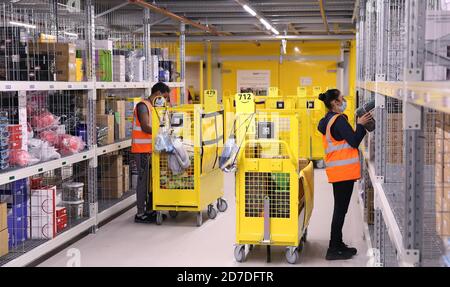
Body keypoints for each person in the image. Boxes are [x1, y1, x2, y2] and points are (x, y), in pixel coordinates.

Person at [317, 89, 373, 260]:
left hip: (338, 172)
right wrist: (361, 124)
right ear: (334, 102)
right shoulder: (339, 120)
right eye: (341, 99)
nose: (344, 101)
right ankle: (333, 249)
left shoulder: (326, 120)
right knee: (340, 210)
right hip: (343, 173)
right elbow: (354, 141)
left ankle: (338, 243)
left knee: (340, 209)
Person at [131, 82, 170, 223]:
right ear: (158, 93)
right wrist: (162, 132)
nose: (165, 100)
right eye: (164, 97)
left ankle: (151, 210)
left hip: (152, 150)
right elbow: (146, 126)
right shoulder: (143, 106)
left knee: (153, 181)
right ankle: (140, 214)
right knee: (143, 182)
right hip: (142, 151)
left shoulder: (154, 107)